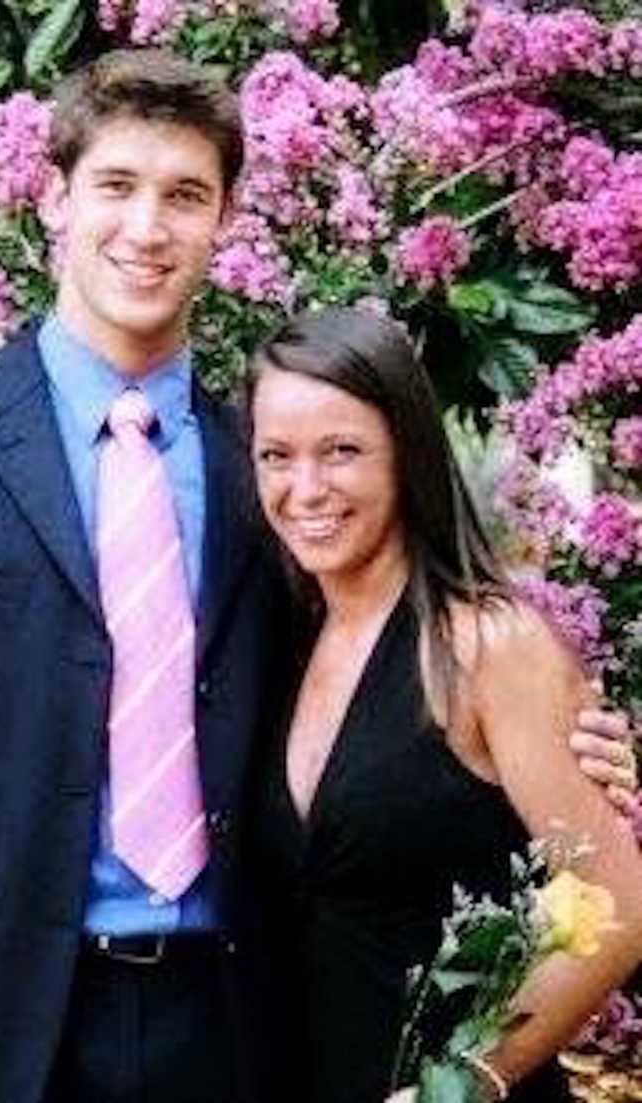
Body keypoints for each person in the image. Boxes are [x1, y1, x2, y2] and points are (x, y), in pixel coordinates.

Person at [0, 48, 635, 1103]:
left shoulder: (269, 473)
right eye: (116, 186)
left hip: (240, 1017)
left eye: (186, 195)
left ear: (224, 222)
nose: (148, 227)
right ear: (53, 198)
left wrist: (572, 746)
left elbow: (382, 691)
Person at [245, 306, 642, 1103]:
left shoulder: (488, 644)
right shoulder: (282, 639)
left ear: (407, 454)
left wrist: (453, 1087)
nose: (306, 488)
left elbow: (619, 913)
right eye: (276, 456)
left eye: (343, 451)